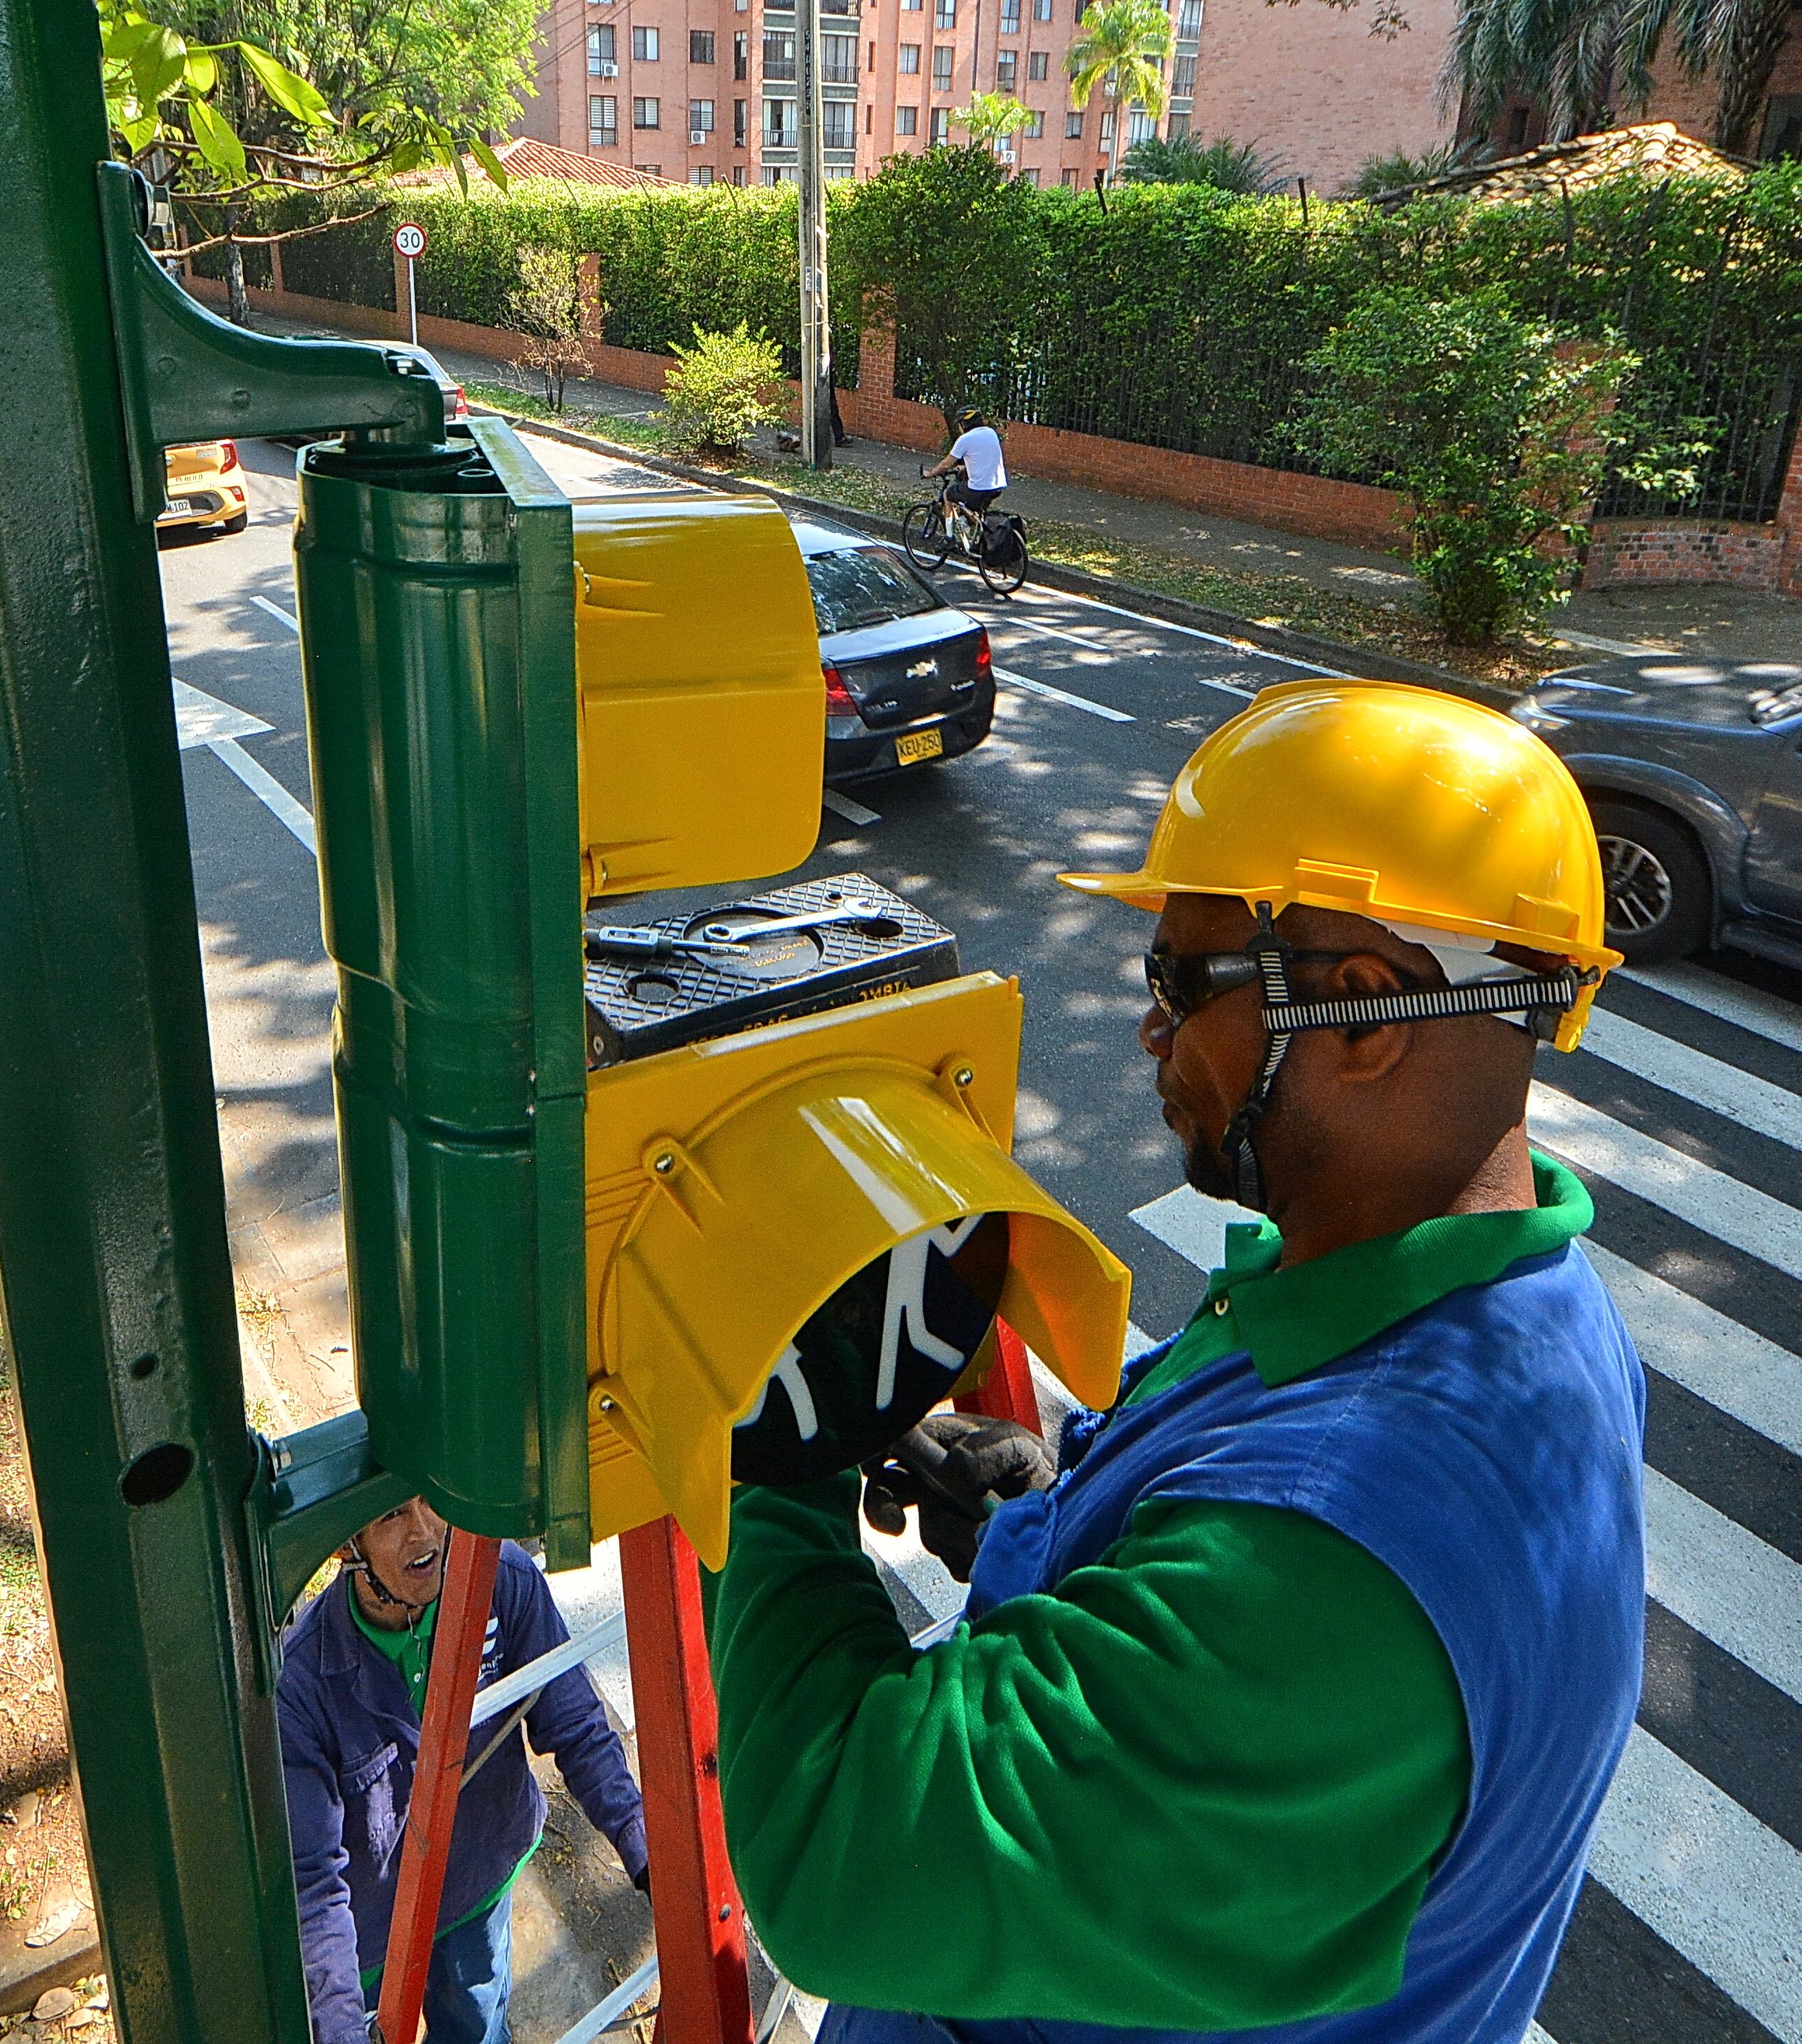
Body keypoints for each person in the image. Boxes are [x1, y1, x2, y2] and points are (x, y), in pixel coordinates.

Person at [706, 679, 1647, 2043]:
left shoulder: (1337, 1580)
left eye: (1179, 982)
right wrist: (1053, 1526)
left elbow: (836, 1850)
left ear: (1367, 1011)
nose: (1149, 1029)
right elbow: (1244, 1506)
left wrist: (772, 1446)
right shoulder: (1513, 1303)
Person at [277, 1499, 651, 2044]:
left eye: (432, 1502)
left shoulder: (501, 1580)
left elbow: (576, 1727)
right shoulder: (303, 1684)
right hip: (371, 1934)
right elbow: (313, 1881)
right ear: (346, 1547)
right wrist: (337, 2022)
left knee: (473, 2028)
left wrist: (647, 1853)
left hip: (479, 1882)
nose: (424, 1532)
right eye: (390, 1516)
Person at [921, 405, 1006, 530]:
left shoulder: (965, 439)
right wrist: (965, 467)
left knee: (948, 494)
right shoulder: (991, 433)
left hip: (979, 487)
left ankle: (949, 538)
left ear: (964, 424)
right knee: (972, 507)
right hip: (997, 485)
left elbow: (946, 464)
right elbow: (982, 456)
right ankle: (978, 530)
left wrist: (932, 473)